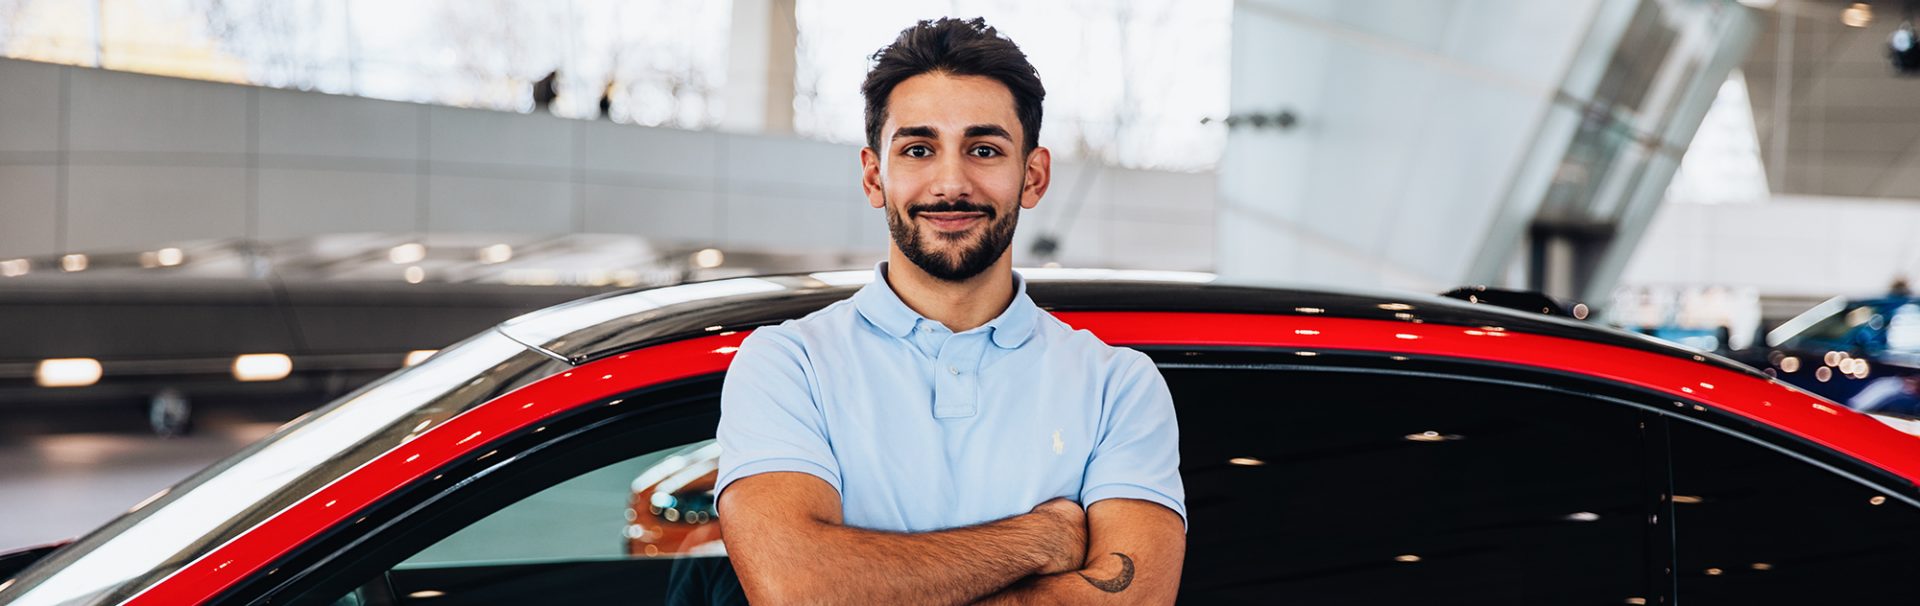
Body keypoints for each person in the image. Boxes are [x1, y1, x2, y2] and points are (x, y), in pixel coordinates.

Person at [713, 16, 1186, 605]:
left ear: (1033, 176)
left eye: (984, 150)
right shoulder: (788, 365)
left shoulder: (1119, 385)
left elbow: (1133, 599)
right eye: (918, 149)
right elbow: (800, 591)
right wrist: (1039, 538)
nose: (951, 183)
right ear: (874, 176)